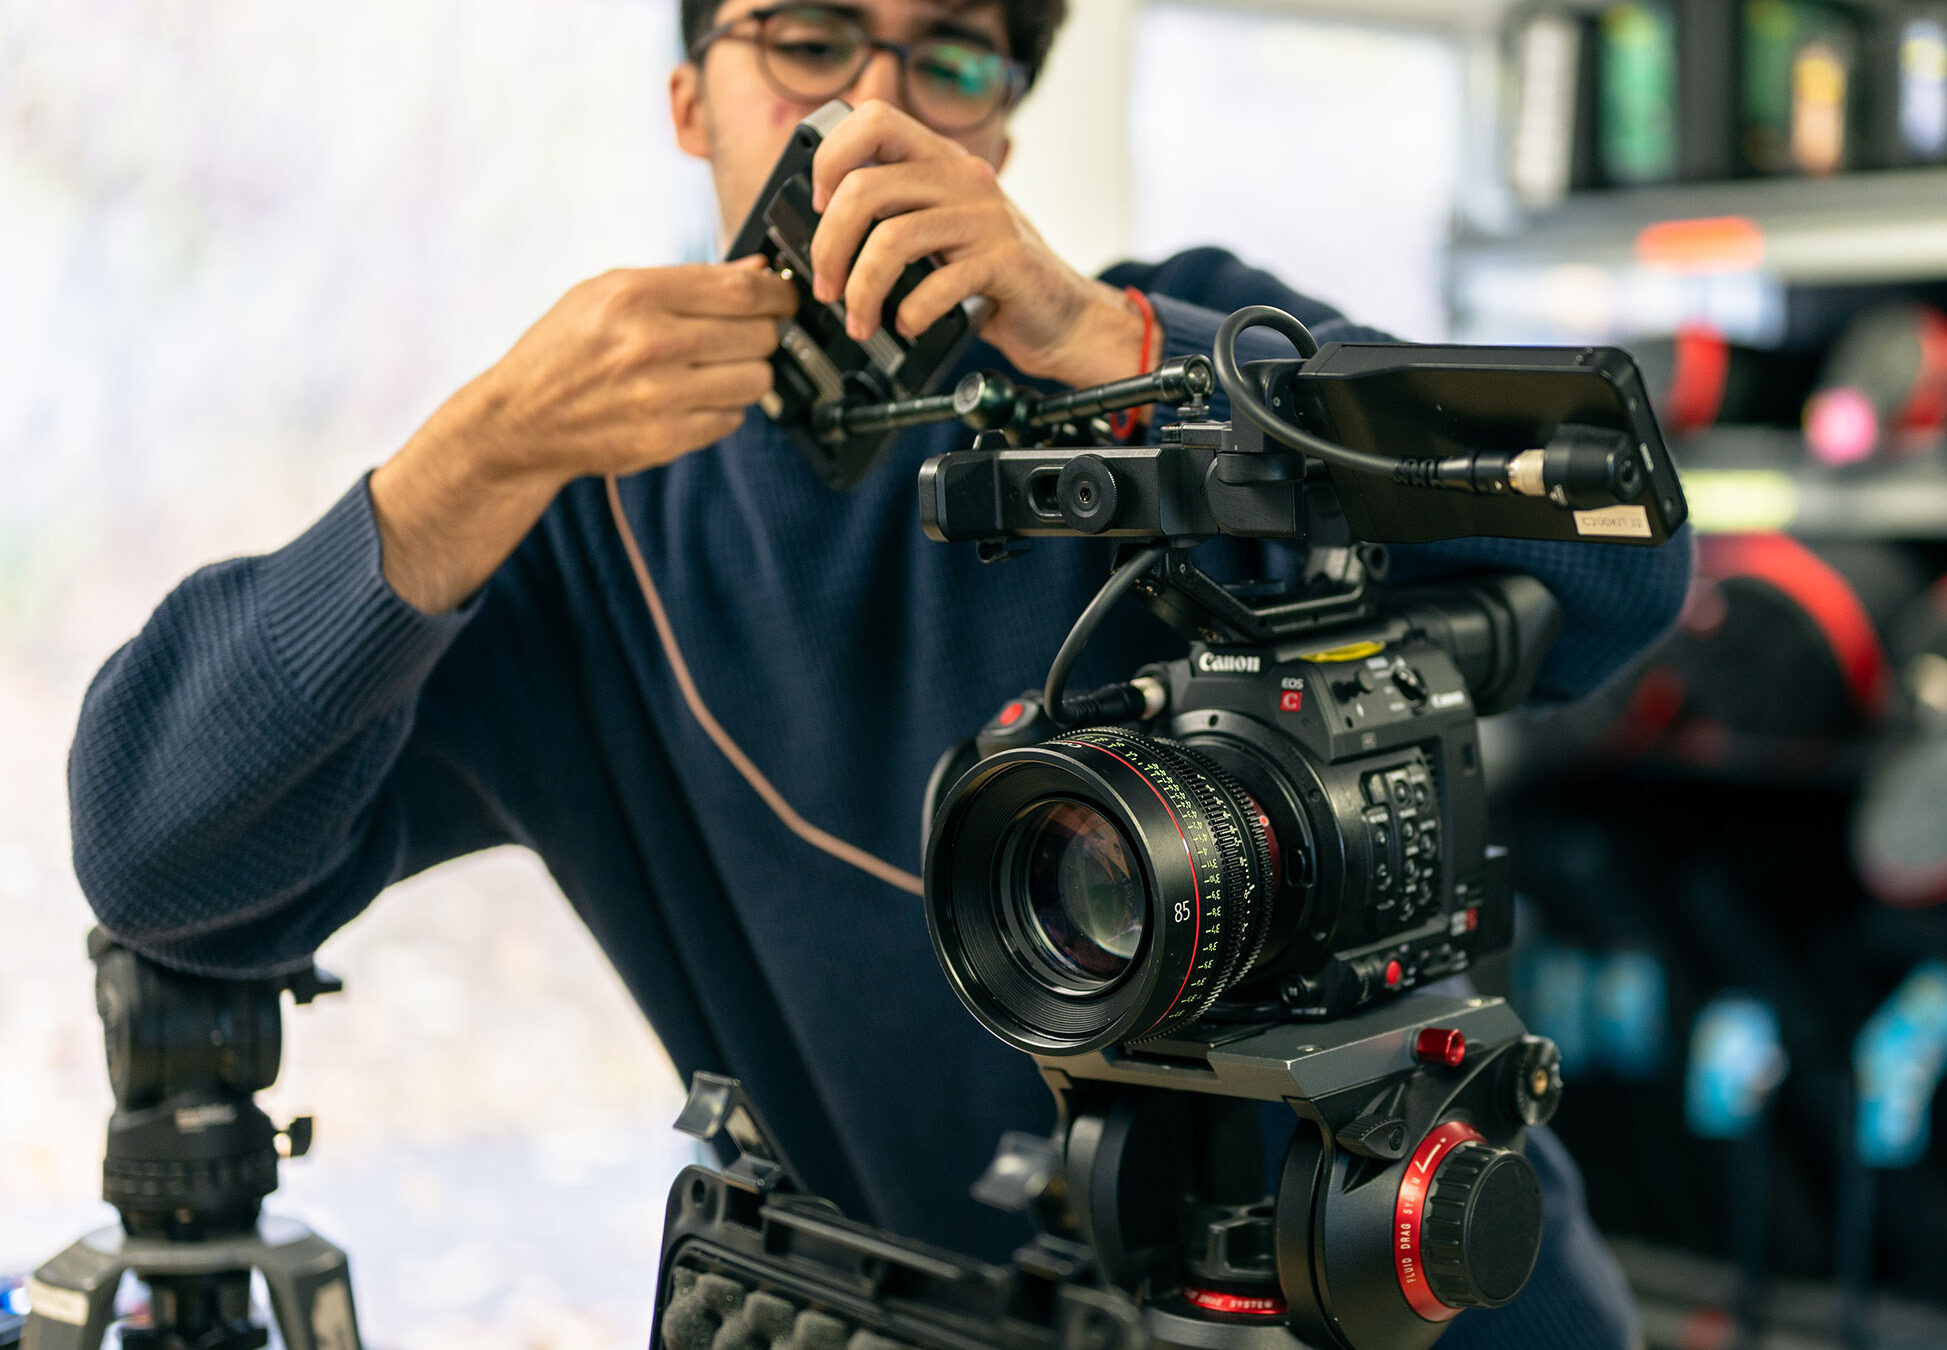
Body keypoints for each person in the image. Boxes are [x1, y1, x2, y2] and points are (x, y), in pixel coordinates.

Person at [68, 1, 1691, 1344]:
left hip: (1433, 1286)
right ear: (691, 100)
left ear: (1002, 134)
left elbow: (1625, 561)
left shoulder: (1192, 369)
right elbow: (160, 853)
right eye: (810, 39)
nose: (871, 113)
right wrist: (473, 457)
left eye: (954, 56)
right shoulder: (580, 539)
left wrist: (1121, 346)